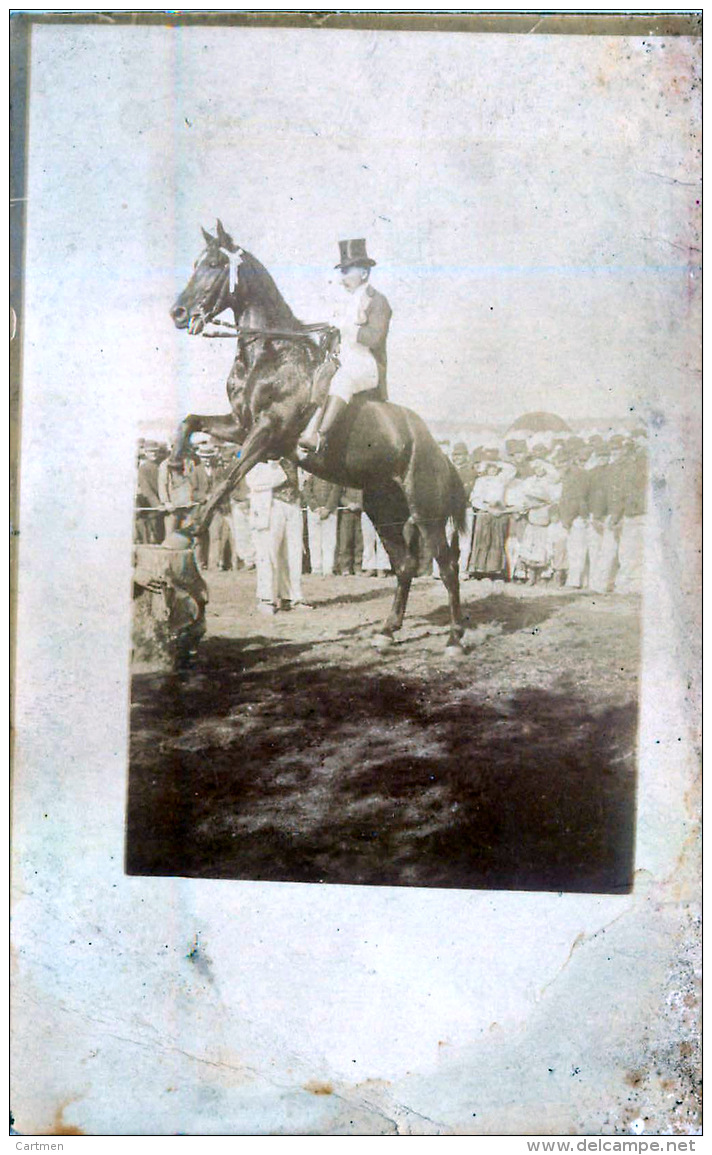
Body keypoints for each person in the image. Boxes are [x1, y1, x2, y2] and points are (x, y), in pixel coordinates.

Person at [298, 239, 391, 456]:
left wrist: (346, 327)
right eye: (342, 272)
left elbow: (375, 339)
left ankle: (320, 435)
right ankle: (305, 428)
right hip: (346, 360)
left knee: (342, 379)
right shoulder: (346, 302)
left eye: (347, 271)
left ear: (365, 273)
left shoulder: (378, 301)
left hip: (367, 365)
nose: (342, 279)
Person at [247, 458, 311, 615]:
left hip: (293, 504)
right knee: (268, 553)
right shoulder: (260, 455)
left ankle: (291, 597)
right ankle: (266, 598)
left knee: (293, 553)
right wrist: (278, 469)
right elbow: (253, 481)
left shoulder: (293, 454)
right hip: (271, 505)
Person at [302, 474, 341, 576]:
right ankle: (316, 568)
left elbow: (336, 490)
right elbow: (306, 490)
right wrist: (315, 507)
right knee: (314, 540)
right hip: (314, 511)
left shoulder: (333, 474)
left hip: (330, 511)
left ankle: (328, 568)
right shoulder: (312, 473)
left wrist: (328, 508)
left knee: (329, 541)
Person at [135, 440, 166, 544]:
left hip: (163, 504)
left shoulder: (161, 465)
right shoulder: (143, 468)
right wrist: (157, 505)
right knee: (153, 533)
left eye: (155, 451)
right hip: (151, 506)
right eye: (150, 452)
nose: (153, 454)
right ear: (146, 453)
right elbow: (146, 490)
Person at [336, 487, 364, 575]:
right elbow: (340, 495)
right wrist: (348, 503)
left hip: (360, 513)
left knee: (359, 541)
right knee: (345, 541)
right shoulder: (346, 480)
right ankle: (345, 567)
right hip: (346, 513)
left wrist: (360, 504)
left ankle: (358, 567)